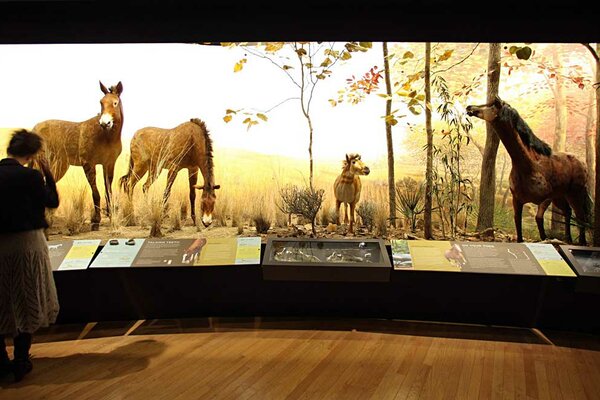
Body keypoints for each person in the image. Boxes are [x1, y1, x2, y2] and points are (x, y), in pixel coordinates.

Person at [0, 129, 60, 382]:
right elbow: (52, 202)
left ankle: (1, 361)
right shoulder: (32, 177)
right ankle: (22, 359)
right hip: (27, 245)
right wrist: (47, 173)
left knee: (1, 300)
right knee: (26, 298)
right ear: (34, 153)